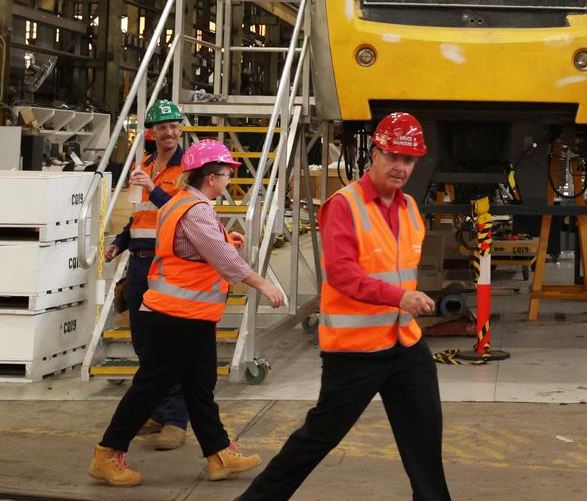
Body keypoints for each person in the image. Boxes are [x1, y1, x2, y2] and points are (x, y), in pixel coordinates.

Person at [237, 112, 451, 501]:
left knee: (424, 441)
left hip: (404, 344)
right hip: (356, 352)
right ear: (375, 152)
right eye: (393, 157)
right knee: (318, 438)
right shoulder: (344, 205)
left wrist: (403, 303)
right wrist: (400, 297)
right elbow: (341, 274)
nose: (401, 167)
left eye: (409, 160)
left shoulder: (408, 210)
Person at [90, 139, 286, 487]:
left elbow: (200, 247)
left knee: (199, 386)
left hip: (188, 316)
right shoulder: (196, 210)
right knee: (150, 388)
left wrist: (227, 239)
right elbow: (223, 261)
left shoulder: (184, 202)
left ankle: (219, 454)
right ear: (211, 178)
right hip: (175, 317)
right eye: (226, 175)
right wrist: (264, 285)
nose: (228, 181)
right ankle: (107, 453)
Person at [104, 99, 191, 450]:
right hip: (140, 262)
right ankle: (158, 409)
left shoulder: (189, 167)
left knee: (166, 342)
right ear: (150, 133)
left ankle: (175, 420)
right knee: (143, 343)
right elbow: (141, 214)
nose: (169, 132)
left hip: (168, 261)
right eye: (162, 127)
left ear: (180, 129)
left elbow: (179, 211)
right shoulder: (144, 164)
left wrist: (152, 188)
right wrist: (120, 242)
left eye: (174, 126)